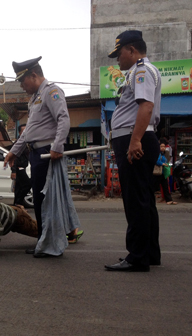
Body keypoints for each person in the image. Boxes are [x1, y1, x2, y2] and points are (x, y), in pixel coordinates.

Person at [3, 56, 81, 257]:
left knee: (47, 200)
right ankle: (43, 242)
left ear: (34, 75)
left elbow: (63, 118)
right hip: (36, 153)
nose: (22, 86)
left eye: (22, 81)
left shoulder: (51, 92)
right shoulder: (35, 98)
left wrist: (57, 146)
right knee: (39, 199)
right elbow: (29, 131)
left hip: (48, 154)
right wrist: (14, 151)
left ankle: (50, 245)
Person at [104, 30, 162, 272]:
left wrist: (135, 140)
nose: (118, 59)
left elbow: (146, 106)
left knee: (135, 200)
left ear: (131, 50)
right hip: (133, 137)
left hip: (134, 138)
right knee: (144, 199)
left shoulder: (141, 71)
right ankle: (149, 253)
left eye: (119, 54)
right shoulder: (138, 72)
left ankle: (137, 257)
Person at [10, 124, 32, 207]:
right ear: (19, 133)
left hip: (23, 167)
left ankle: (17, 205)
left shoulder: (27, 143)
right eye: (23, 131)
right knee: (27, 184)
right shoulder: (18, 144)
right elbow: (14, 158)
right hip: (19, 168)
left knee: (19, 188)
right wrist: (14, 171)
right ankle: (19, 202)